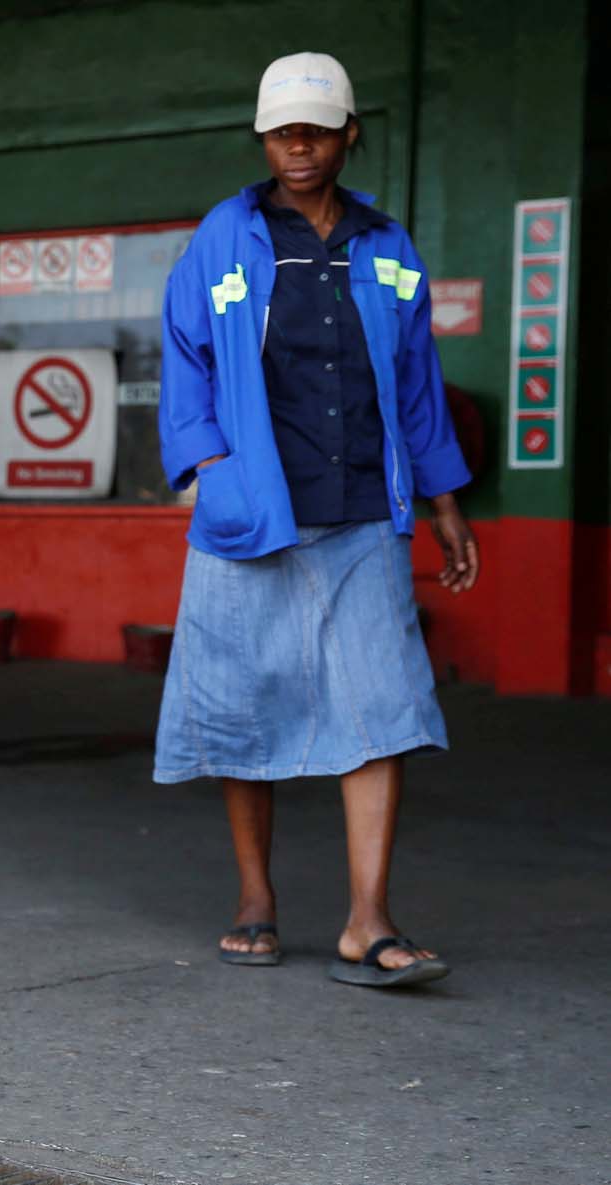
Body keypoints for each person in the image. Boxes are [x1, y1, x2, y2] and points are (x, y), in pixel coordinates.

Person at [153, 52, 479, 988]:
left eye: (316, 129)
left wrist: (447, 495)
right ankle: (256, 897)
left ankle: (366, 919)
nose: (298, 145)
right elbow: (185, 358)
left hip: (364, 509)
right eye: (281, 131)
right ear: (264, 139)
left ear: (348, 133)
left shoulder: (388, 246)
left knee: (380, 708)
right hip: (252, 509)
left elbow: (415, 381)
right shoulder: (225, 236)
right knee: (242, 699)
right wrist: (209, 467)